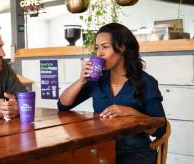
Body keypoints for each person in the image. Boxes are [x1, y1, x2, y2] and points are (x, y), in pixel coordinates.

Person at [57, 23, 166, 164]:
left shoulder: (146, 82)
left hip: (134, 152)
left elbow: (160, 129)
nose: (99, 53)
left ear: (121, 47)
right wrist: (81, 81)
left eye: (105, 47)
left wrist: (132, 113)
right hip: (100, 149)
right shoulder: (97, 79)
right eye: (97, 48)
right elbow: (63, 105)